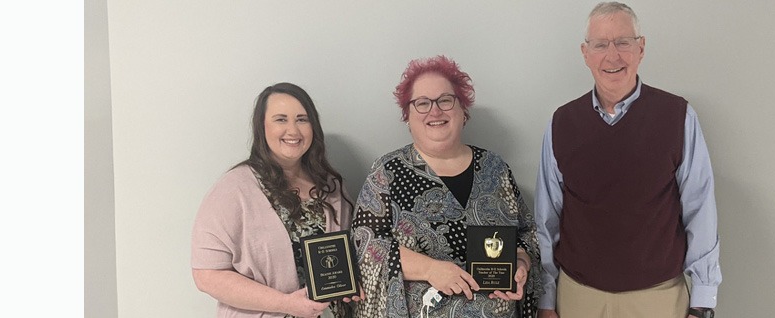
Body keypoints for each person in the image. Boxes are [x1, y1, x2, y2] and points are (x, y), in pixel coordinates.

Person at [535, 2, 722, 318]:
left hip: (659, 298)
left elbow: (700, 209)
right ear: (585, 53)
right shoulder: (562, 123)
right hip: (579, 298)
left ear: (641, 47)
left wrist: (702, 302)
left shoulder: (678, 117)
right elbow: (546, 220)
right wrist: (546, 300)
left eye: (623, 42)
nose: (612, 56)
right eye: (600, 45)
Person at [351, 55, 543, 318]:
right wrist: (430, 269)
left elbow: (526, 232)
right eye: (422, 103)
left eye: (445, 100)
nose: (435, 111)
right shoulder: (386, 173)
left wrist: (521, 263)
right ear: (407, 115)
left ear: (463, 111)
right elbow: (366, 248)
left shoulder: (495, 168)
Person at [191, 82, 360, 318]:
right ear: (262, 127)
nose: (293, 130)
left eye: (302, 119)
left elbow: (351, 252)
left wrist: (352, 282)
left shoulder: (331, 186)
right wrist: (286, 304)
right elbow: (207, 275)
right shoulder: (233, 190)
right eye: (281, 119)